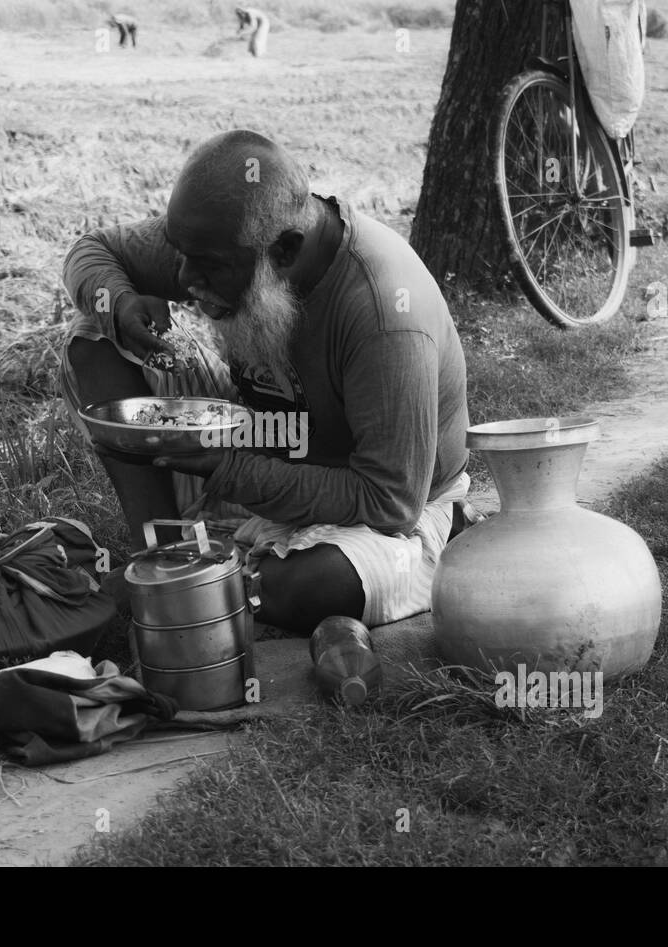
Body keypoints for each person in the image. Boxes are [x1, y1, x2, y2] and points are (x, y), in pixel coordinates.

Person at [60, 130, 470, 633]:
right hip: (267, 447)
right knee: (94, 335)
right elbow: (93, 249)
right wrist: (120, 305)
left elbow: (391, 501)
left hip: (386, 515)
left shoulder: (385, 311)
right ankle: (163, 555)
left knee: (303, 586)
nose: (186, 278)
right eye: (179, 254)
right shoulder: (222, 240)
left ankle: (211, 577)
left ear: (285, 252)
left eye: (207, 267)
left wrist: (230, 470)